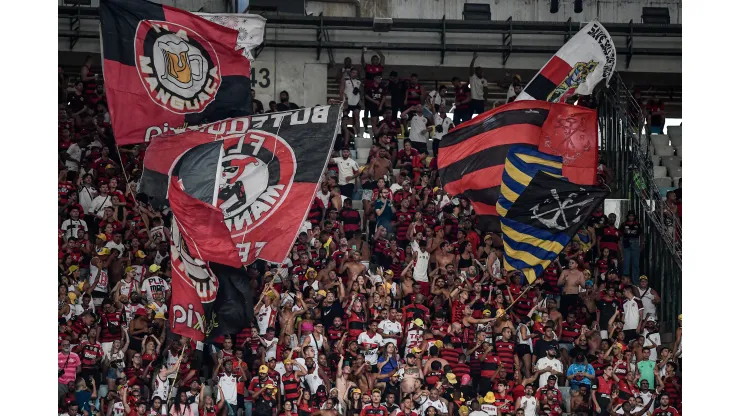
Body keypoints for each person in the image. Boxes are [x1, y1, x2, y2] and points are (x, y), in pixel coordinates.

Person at [468, 53, 488, 117]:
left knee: (481, 117)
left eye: (481, 71)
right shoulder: (472, 78)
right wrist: (473, 59)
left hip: (481, 101)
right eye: (479, 71)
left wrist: (485, 99)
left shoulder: (484, 80)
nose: (481, 72)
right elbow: (471, 68)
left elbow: (486, 90)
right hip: (473, 100)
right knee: (469, 116)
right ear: (476, 72)